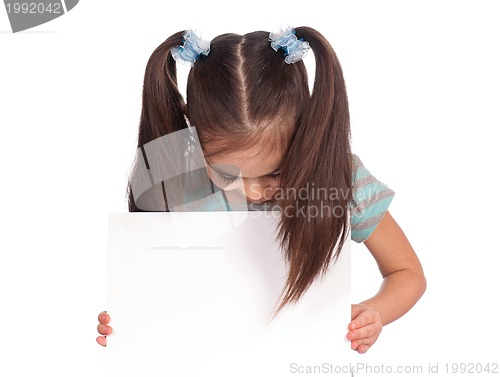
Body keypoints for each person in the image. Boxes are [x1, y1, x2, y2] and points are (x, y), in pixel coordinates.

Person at [96, 26, 426, 354]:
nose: (255, 192)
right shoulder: (177, 185)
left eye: (277, 172)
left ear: (307, 129)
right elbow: (153, 286)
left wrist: (376, 312)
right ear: (190, 133)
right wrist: (125, 319)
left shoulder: (341, 179)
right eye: (227, 174)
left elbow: (406, 272)